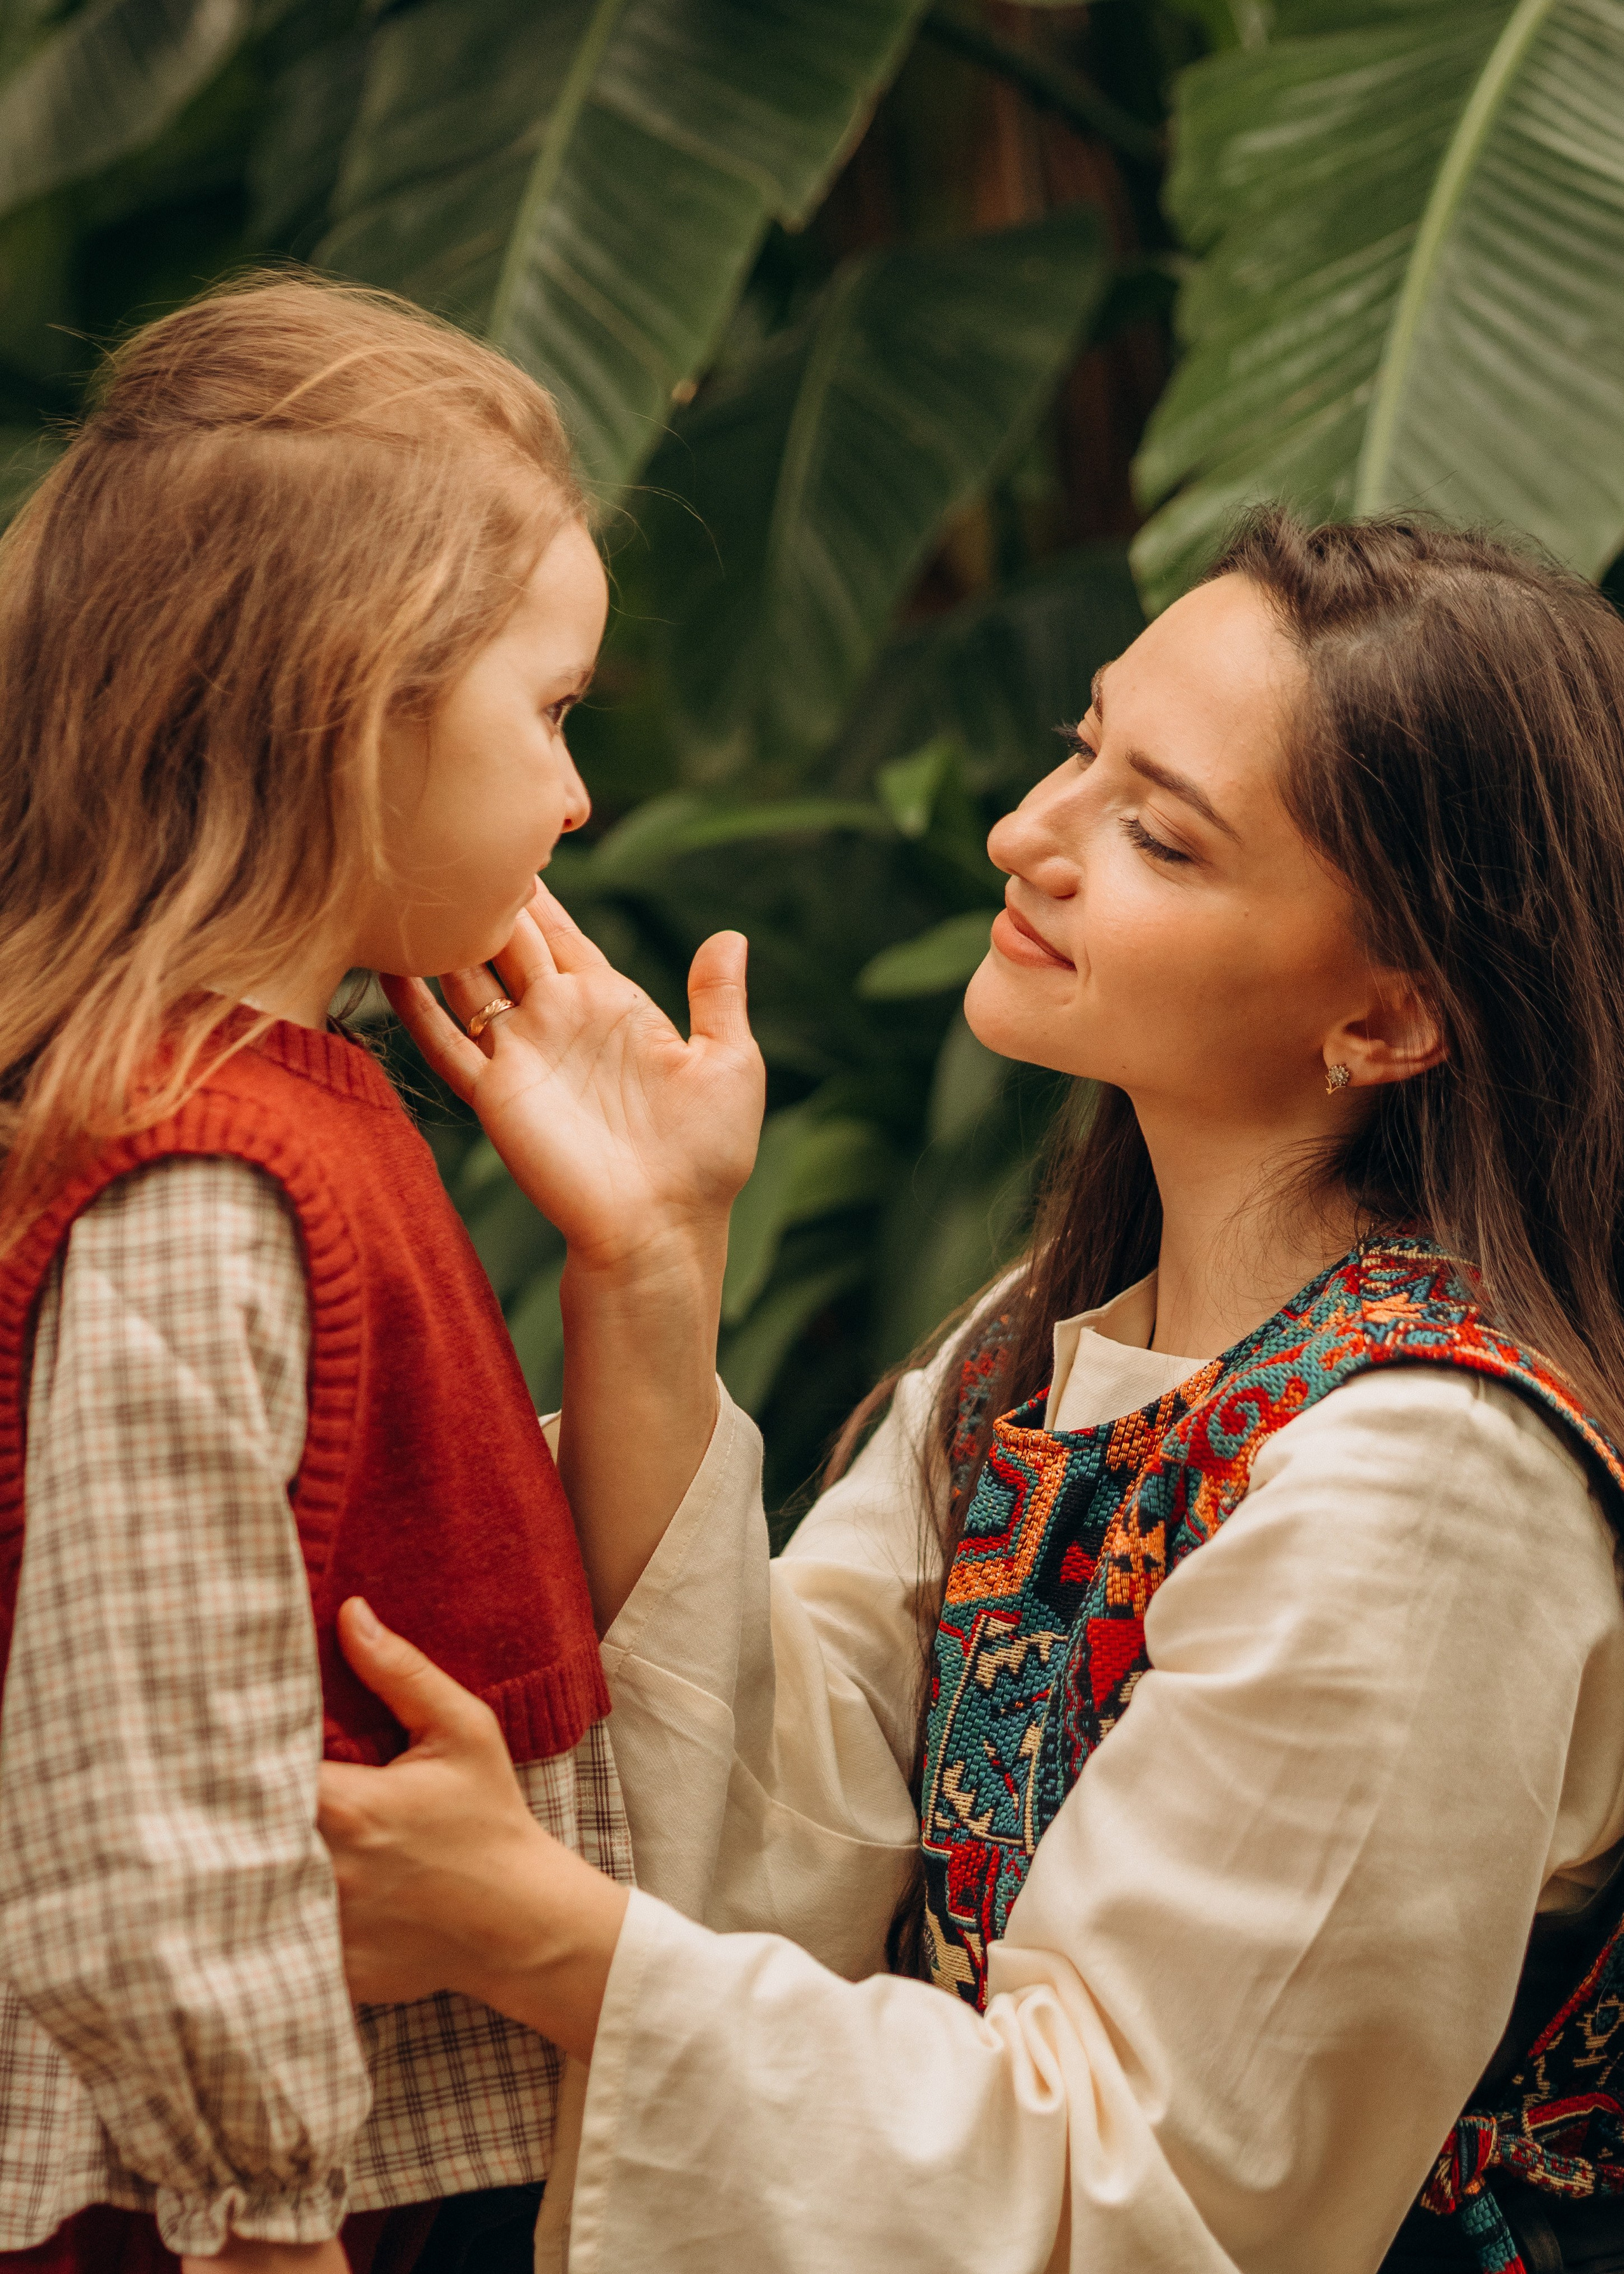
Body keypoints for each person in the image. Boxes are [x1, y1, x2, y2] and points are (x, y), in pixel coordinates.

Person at [318, 513, 1624, 2274]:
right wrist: (651, 1265)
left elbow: (1157, 2192)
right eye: (1085, 747)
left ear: (1389, 1020)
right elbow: (788, 1847)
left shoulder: (1426, 1481)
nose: (1029, 834)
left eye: (1158, 836)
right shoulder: (1058, 1326)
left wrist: (543, 1936)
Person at [0, 275, 761, 2274]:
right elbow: (147, 1805)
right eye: (554, 714)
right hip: (248, 2223)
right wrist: (262, 2222)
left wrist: (653, 1252)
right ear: (355, 710)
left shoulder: (303, 1105)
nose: (579, 796)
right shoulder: (199, 1180)